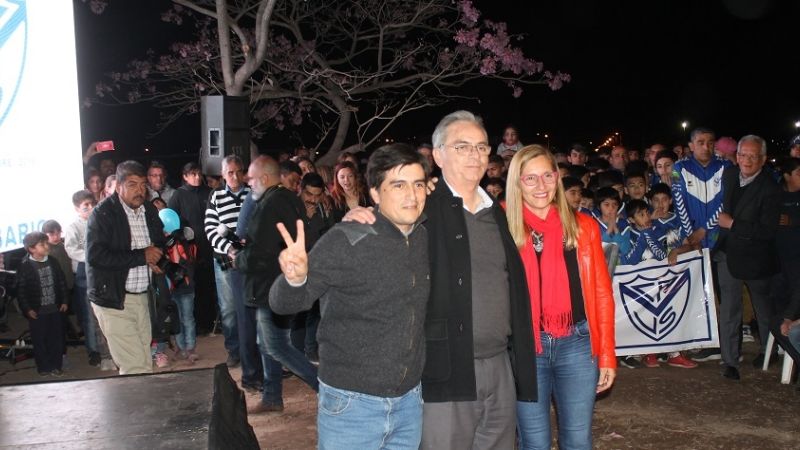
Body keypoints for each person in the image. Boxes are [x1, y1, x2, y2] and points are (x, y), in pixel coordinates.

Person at [346, 111, 537, 449]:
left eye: (481, 147)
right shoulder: (420, 209)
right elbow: (377, 241)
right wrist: (358, 221)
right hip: (445, 368)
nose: (475, 155)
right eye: (462, 147)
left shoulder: (496, 211)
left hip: (499, 364)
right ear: (438, 155)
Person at [270, 144, 430, 449]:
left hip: (409, 403)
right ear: (376, 192)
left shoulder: (424, 234)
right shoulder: (346, 239)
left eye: (418, 184)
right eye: (398, 185)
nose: (412, 194)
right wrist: (295, 278)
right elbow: (283, 303)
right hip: (352, 405)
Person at [504, 145, 615, 449]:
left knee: (578, 440)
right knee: (534, 443)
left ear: (557, 177)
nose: (541, 186)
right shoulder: (503, 227)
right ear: (517, 183)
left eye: (547, 176)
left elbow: (602, 294)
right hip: (526, 348)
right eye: (530, 178)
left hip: (577, 344)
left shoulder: (583, 227)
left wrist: (607, 354)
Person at [233, 156, 318, 414]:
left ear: (264, 178)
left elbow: (262, 251)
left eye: (251, 178)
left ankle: (325, 385)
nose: (248, 183)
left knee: (276, 345)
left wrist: (239, 259)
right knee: (269, 343)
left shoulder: (271, 204)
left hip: (271, 286)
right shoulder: (288, 199)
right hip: (278, 283)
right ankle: (272, 397)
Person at [86, 160, 166, 375]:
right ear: (118, 186)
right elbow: (96, 256)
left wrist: (157, 259)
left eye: (142, 185)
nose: (139, 190)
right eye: (132, 185)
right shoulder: (103, 214)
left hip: (143, 296)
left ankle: (139, 397)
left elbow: (159, 242)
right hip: (113, 300)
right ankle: (138, 398)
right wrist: (142, 256)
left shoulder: (149, 209)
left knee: (143, 361)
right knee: (135, 367)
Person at [716, 135, 781, 380]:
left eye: (753, 156)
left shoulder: (770, 188)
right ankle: (730, 360)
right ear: (737, 156)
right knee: (729, 310)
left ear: (763, 159)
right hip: (728, 254)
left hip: (756, 258)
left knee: (763, 310)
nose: (747, 160)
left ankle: (768, 350)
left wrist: (733, 224)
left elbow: (767, 231)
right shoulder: (729, 175)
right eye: (743, 155)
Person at [204, 156, 250, 368]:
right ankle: (234, 350)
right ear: (223, 175)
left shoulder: (253, 193)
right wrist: (230, 249)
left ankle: (251, 350)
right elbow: (210, 229)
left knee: (250, 305)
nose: (235, 176)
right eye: (230, 172)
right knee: (229, 308)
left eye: (238, 171)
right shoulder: (216, 196)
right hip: (224, 258)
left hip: (249, 258)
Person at [168, 162, 215, 333]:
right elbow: (171, 221)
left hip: (209, 247)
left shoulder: (208, 192)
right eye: (193, 174)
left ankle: (209, 323)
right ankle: (195, 326)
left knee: (209, 286)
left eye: (199, 173)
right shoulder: (178, 195)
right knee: (191, 288)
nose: (197, 177)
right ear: (185, 176)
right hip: (188, 250)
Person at [17, 232, 69, 377]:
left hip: (55, 309)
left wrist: (65, 300)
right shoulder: (25, 266)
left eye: (46, 243)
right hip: (37, 311)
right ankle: (43, 366)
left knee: (56, 338)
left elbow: (61, 282)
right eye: (42, 244)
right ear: (31, 249)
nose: (47, 246)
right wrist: (27, 309)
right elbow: (21, 291)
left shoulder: (53, 261)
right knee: (39, 340)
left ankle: (56, 365)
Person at [772, 158, 800, 365]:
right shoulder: (775, 196)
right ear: (787, 175)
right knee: (776, 319)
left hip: (797, 259)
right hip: (777, 259)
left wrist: (793, 221)